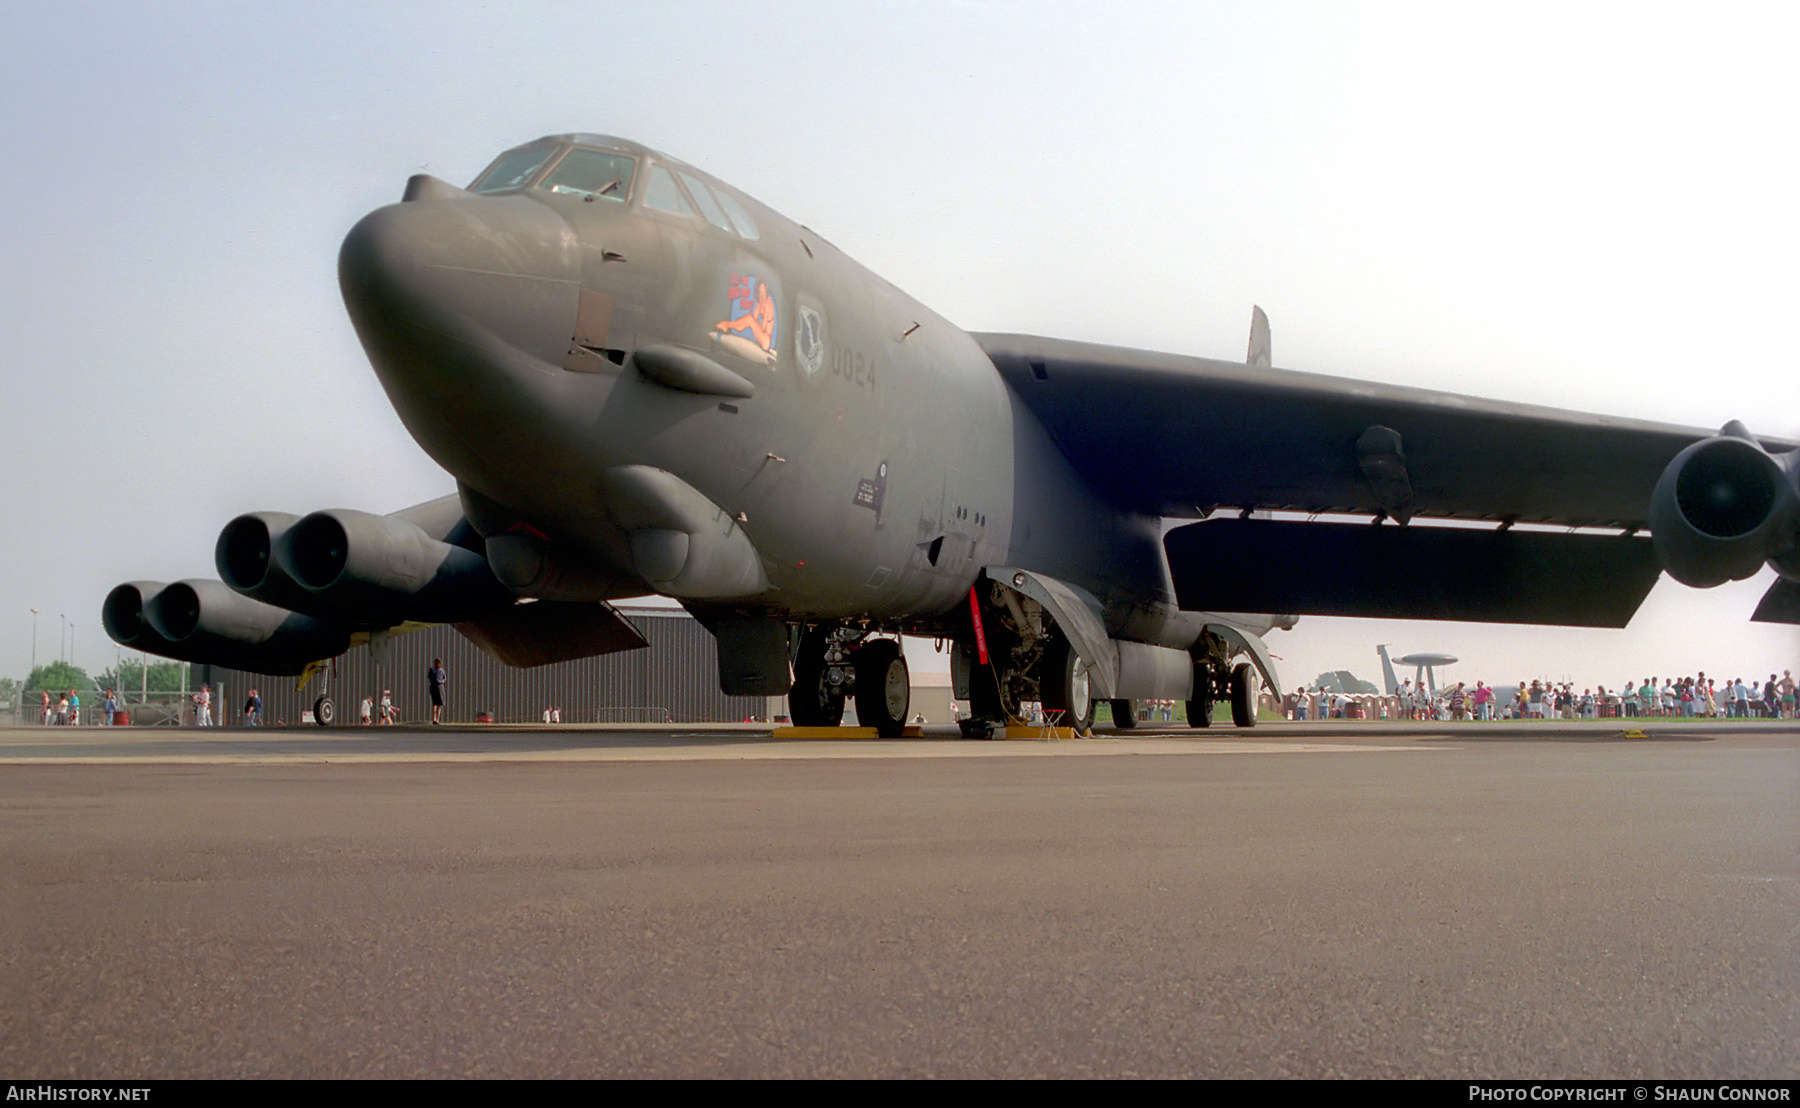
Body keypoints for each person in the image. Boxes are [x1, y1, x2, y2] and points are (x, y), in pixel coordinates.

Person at [427, 660, 446, 724]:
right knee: (439, 704)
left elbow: (429, 677)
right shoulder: (441, 670)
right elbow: (445, 678)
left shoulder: (431, 670)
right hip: (440, 687)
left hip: (433, 687)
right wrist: (441, 681)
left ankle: (434, 718)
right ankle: (437, 719)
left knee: (434, 703)